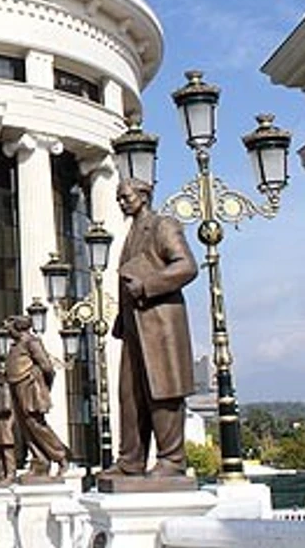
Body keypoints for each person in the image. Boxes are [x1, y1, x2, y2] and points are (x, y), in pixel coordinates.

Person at [101, 177, 199, 478]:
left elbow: (187, 266)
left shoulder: (162, 225)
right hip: (134, 325)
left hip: (159, 323)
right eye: (119, 198)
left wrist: (147, 285)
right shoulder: (131, 233)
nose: (121, 202)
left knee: (163, 390)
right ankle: (131, 460)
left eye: (126, 197)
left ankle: (172, 459)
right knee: (130, 395)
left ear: (144, 196)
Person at [4, 314, 70, 476]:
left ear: (18, 327)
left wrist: (43, 387)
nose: (8, 332)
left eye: (9, 328)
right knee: (25, 427)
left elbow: (47, 367)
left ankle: (61, 456)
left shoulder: (31, 342)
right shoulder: (16, 345)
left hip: (29, 387)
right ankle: (40, 461)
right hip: (17, 387)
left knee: (36, 424)